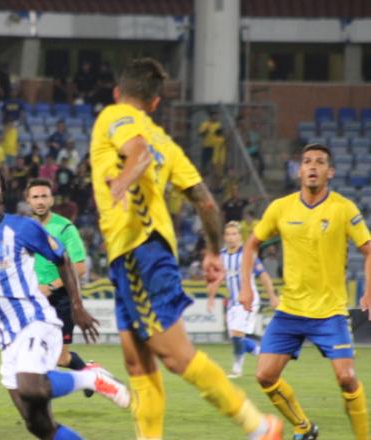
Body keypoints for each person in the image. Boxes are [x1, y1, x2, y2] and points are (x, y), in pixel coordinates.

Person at [90, 57, 282, 440]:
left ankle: (258, 425)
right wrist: (213, 250)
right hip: (137, 256)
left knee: (177, 357)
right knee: (138, 363)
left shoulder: (114, 115)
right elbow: (206, 202)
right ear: (157, 102)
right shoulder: (168, 144)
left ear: (118, 93)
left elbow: (139, 153)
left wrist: (121, 183)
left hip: (138, 250)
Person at [0, 161, 130, 440]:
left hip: (35, 322)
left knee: (32, 387)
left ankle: (92, 377)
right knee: (39, 426)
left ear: (1, 193)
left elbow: (63, 259)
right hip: (6, 338)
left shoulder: (21, 228)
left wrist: (77, 306)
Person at [240, 143, 370, 440]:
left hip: (330, 312)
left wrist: (368, 292)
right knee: (264, 375)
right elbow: (251, 245)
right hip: (290, 311)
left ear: (330, 172)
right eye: (307, 161)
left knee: (347, 378)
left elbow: (368, 250)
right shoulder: (280, 208)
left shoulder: (344, 209)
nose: (313, 166)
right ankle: (304, 427)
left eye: (320, 162)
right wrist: (246, 287)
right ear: (299, 171)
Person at [26, 178, 100, 396]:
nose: (40, 201)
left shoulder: (65, 228)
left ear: (52, 200)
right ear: (28, 201)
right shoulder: (25, 229)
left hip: (61, 299)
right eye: (35, 197)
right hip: (35, 299)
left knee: (60, 358)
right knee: (33, 353)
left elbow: (79, 267)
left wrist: (51, 286)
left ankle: (88, 375)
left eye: (44, 196)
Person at [207, 221, 278, 378]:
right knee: (236, 338)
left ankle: (239, 368)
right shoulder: (222, 255)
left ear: (240, 236)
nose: (231, 238)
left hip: (248, 301)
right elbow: (218, 278)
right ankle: (260, 354)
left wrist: (272, 296)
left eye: (234, 234)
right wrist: (211, 297)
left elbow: (264, 276)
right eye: (228, 234)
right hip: (233, 302)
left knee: (237, 335)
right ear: (224, 237)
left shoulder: (248, 254)